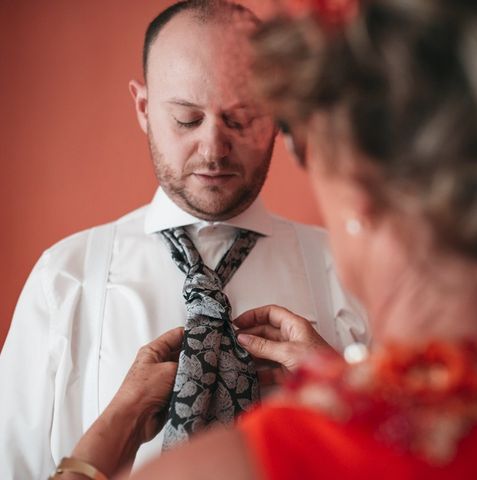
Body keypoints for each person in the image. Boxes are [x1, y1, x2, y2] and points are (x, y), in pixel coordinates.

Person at [52, 0, 477, 478]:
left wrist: (107, 440)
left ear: (362, 186)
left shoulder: (239, 466)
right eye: (186, 119)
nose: (213, 147)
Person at [0, 1, 369, 478]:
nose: (214, 149)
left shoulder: (346, 268)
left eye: (240, 119)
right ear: (143, 108)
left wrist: (350, 391)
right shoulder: (64, 279)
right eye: (187, 120)